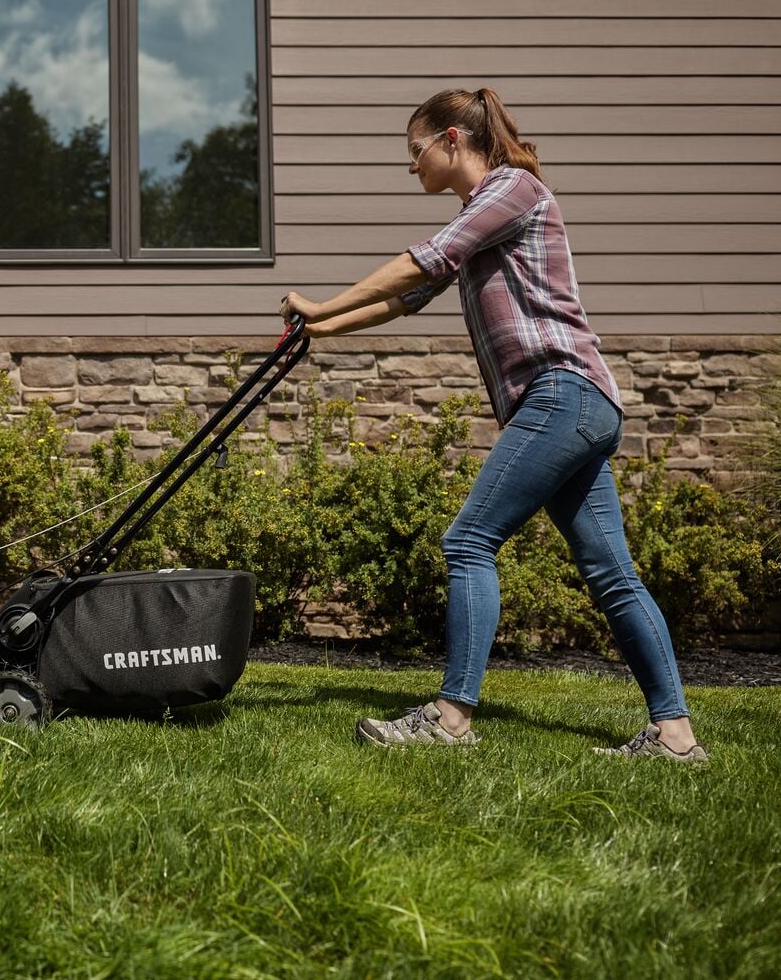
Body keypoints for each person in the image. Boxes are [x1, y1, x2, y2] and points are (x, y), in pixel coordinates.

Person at [278, 87, 707, 762]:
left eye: (415, 150)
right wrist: (322, 328)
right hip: (582, 402)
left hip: (561, 393)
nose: (411, 166)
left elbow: (423, 260)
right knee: (611, 573)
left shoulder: (513, 189)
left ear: (452, 139)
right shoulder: (482, 216)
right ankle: (675, 738)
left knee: (469, 541)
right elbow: (408, 295)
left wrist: (322, 301)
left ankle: (450, 718)